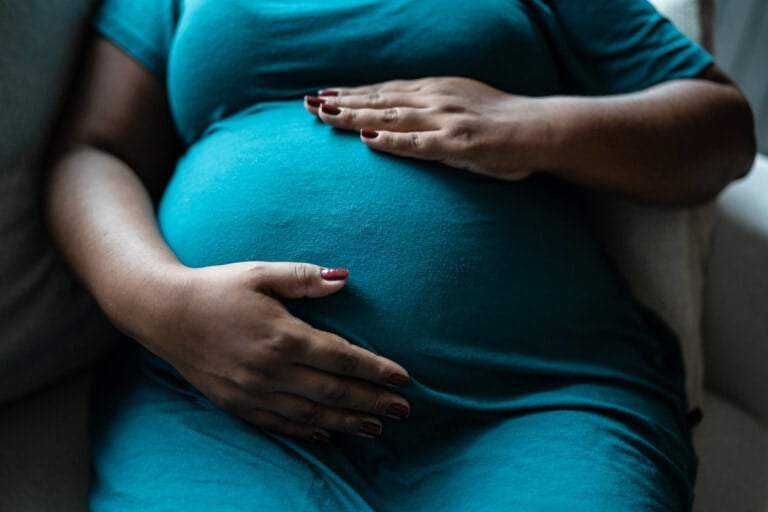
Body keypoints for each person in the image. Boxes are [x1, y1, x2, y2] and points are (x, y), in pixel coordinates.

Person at [45, 0, 755, 510]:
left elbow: (719, 129)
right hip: (221, 401)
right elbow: (93, 152)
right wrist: (160, 303)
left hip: (530, 397)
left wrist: (531, 123)